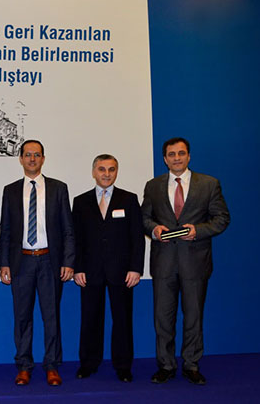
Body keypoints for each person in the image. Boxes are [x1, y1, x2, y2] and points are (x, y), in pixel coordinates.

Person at [142, 137, 230, 385]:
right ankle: (166, 365)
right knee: (163, 318)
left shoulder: (209, 184)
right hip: (163, 263)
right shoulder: (153, 186)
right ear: (165, 159)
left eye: (181, 153)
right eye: (171, 154)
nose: (177, 158)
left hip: (195, 263)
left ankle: (191, 364)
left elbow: (222, 218)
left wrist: (198, 231)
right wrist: (154, 230)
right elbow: (144, 218)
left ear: (189, 156)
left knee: (193, 316)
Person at [0, 140, 75, 386]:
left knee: (51, 317)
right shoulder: (10, 190)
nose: (32, 159)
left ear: (43, 159)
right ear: (20, 158)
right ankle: (24, 366)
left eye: (37, 155)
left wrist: (68, 261)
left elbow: (68, 229)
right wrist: (4, 263)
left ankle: (52, 366)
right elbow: (5, 229)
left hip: (50, 260)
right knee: (22, 317)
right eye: (28, 154)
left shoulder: (58, 188)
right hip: (21, 262)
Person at [72, 154, 145, 383]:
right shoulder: (80, 201)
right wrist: (77, 268)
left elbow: (137, 238)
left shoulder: (129, 199)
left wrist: (136, 268)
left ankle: (123, 366)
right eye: (102, 169)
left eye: (111, 169)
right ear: (94, 172)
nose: (106, 174)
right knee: (90, 319)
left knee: (122, 320)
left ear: (116, 172)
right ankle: (88, 363)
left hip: (122, 272)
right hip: (89, 271)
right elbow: (76, 239)